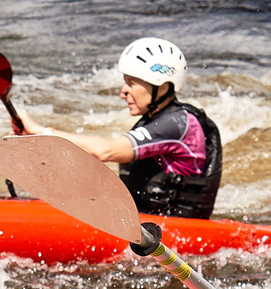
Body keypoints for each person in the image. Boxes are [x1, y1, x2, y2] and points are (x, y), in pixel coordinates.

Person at [20, 37, 223, 220]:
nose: (122, 92)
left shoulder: (176, 124)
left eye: (132, 84)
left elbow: (106, 151)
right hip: (149, 223)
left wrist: (41, 131)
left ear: (161, 87)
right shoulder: (156, 121)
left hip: (175, 231)